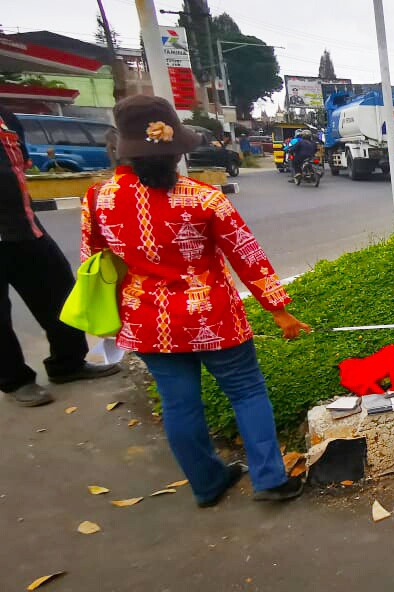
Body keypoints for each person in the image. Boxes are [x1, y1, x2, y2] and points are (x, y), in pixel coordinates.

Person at [85, 95, 311, 506]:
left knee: (178, 403)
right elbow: (247, 255)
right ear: (177, 151)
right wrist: (279, 312)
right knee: (246, 391)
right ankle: (270, 479)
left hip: (147, 322)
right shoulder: (204, 198)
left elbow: (95, 264)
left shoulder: (98, 199)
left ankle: (207, 485)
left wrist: (118, 316)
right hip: (214, 316)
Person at [0, 106, 118, 407]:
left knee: (60, 293)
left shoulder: (7, 117)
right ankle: (15, 380)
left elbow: (21, 164)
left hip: (23, 227)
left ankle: (68, 364)